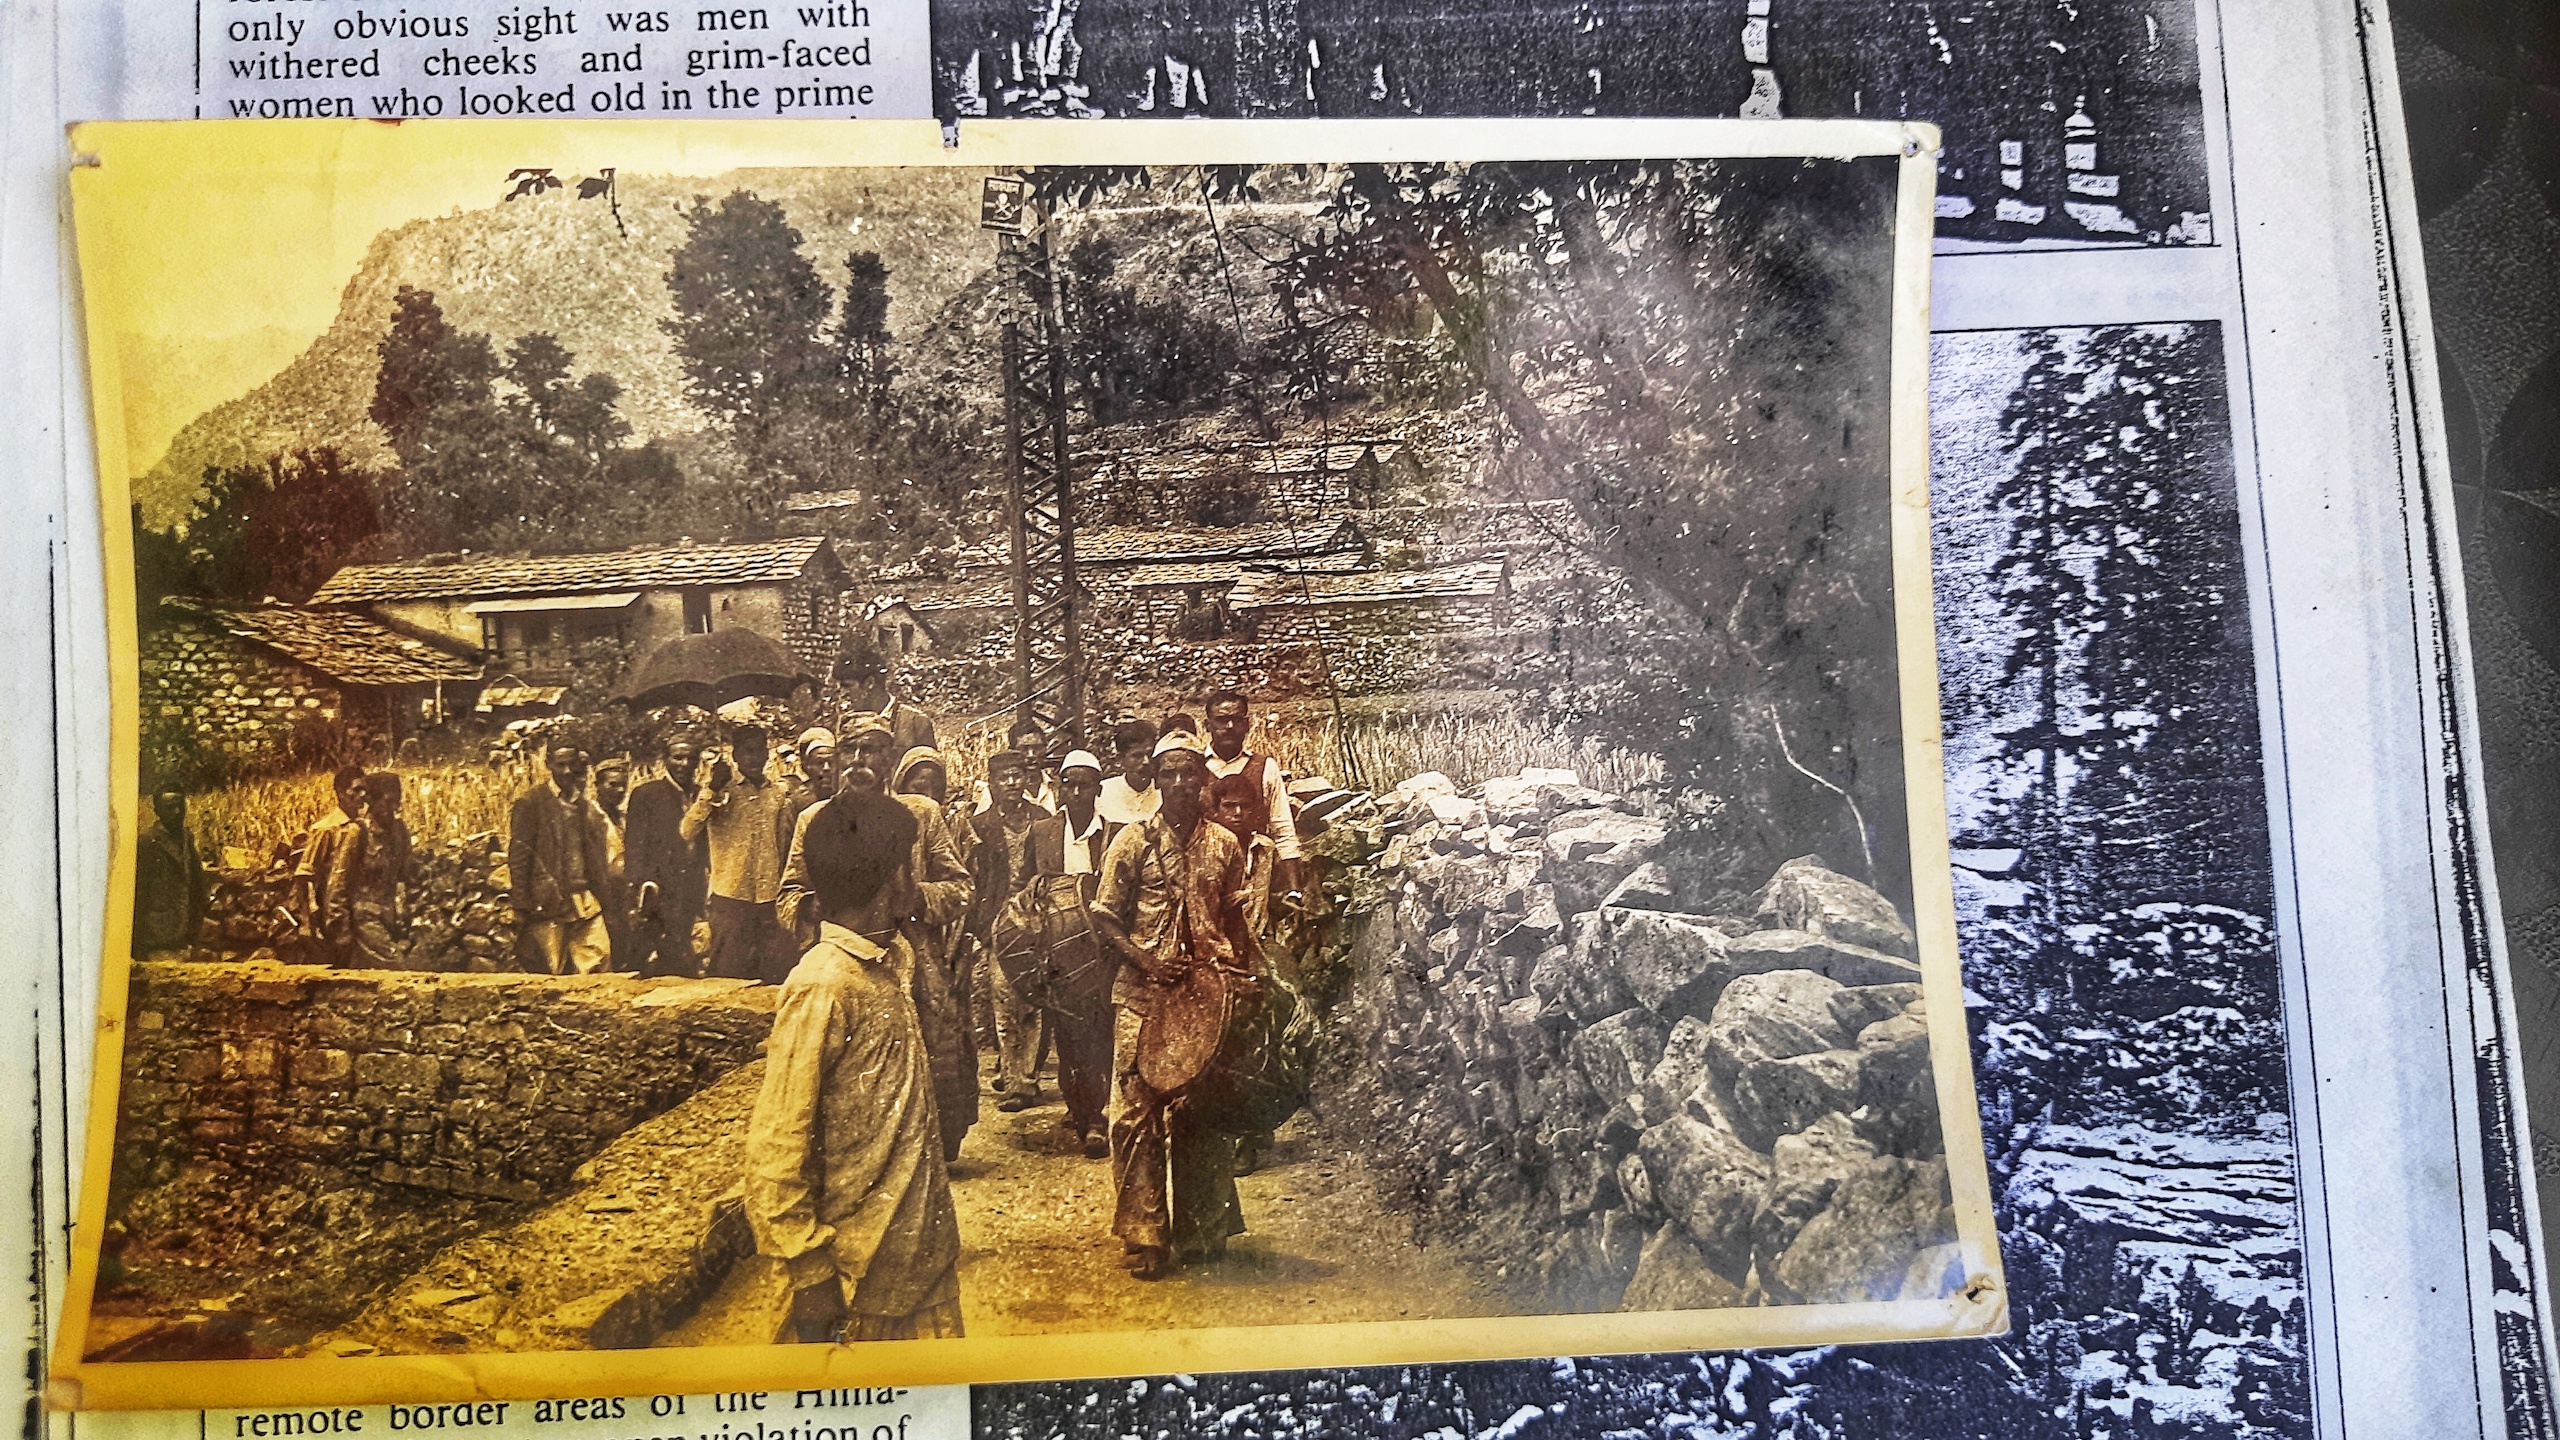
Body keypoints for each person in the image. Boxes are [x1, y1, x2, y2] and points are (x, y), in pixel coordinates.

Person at [742, 786, 966, 1344]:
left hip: (920, 1263)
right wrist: (808, 1271)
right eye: (906, 866)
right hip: (858, 1280)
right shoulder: (823, 985)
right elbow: (776, 1148)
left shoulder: (893, 959)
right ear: (893, 880)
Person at [1090, 731, 1264, 1279]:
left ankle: (1203, 1228)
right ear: (1157, 779)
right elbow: (1104, 916)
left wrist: (1246, 974)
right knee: (1135, 1112)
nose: (1181, 782)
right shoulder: (1132, 841)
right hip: (1142, 995)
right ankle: (1144, 1233)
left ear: (1202, 779)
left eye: (1190, 772)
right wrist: (1145, 961)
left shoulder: (1225, 844)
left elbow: (1234, 918)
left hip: (1205, 995)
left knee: (1202, 1109)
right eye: (1170, 773)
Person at [784, 714, 981, 1163]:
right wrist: (821, 906)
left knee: (929, 1070)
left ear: (889, 758)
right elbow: (789, 893)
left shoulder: (921, 815)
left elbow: (962, 887)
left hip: (913, 963)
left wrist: (916, 898)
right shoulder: (814, 819)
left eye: (870, 750)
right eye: (850, 751)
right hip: (843, 962)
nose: (859, 761)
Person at [1024, 750, 1118, 1157]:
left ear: (1098, 789)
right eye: (1069, 784)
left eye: (1085, 785)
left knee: (1100, 1031)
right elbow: (1026, 886)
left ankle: (1097, 1117)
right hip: (1058, 949)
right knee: (1066, 1033)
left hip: (1102, 948)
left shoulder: (1114, 833)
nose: (1077, 793)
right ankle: (1081, 1108)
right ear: (1060, 788)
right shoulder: (1042, 831)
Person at [684, 723, 798, 985]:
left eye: (760, 751)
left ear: (767, 754)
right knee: (728, 972)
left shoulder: (778, 794)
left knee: (773, 973)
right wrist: (712, 789)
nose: (754, 758)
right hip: (730, 896)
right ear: (735, 755)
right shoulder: (720, 791)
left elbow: (785, 843)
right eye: (748, 751)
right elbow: (688, 830)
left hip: (770, 897)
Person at [969, 750, 1049, 1112]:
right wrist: (978, 926)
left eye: (1017, 775)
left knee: (1034, 999)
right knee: (1003, 999)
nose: (1012, 783)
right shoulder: (979, 825)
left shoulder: (1043, 819)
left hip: (1037, 921)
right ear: (992, 784)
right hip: (997, 923)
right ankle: (1014, 1075)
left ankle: (1026, 1080)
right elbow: (973, 880)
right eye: (1004, 778)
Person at [509, 744, 613, 975]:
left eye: (571, 764)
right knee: (552, 968)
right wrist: (521, 904)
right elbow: (520, 855)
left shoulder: (582, 804)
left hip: (584, 897)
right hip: (549, 899)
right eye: (560, 765)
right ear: (548, 765)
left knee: (598, 960)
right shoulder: (531, 802)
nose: (567, 771)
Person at [1203, 689, 1305, 904]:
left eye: (1237, 720)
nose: (1229, 726)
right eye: (1221, 720)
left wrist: (1294, 890)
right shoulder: (1194, 767)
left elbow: (1283, 829)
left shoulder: (1265, 767)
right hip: (1205, 875)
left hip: (1255, 876)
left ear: (1247, 724)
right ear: (1207, 725)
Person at [625, 735, 709, 977]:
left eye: (690, 758)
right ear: (665, 759)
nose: (684, 764)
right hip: (659, 889)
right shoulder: (647, 794)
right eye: (678, 758)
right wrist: (640, 887)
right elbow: (635, 845)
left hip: (694, 887)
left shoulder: (703, 795)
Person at [293, 764, 368, 965]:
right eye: (356, 789)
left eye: (364, 790)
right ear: (341, 792)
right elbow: (304, 874)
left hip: (357, 912)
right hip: (332, 915)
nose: (362, 795)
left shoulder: (361, 828)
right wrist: (307, 921)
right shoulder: (325, 829)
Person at [339, 771, 414, 969]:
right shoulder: (357, 833)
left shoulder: (399, 831)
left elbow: (405, 874)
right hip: (364, 919)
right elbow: (338, 885)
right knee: (397, 967)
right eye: (387, 801)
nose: (393, 808)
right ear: (371, 800)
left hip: (391, 917)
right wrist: (341, 930)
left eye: (396, 802)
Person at [832, 641, 937, 759]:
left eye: (847, 686)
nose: (842, 694)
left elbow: (929, 769)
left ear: (869, 683)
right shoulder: (844, 722)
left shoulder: (916, 724)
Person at [131, 787, 202, 957]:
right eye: (170, 808)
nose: (177, 812)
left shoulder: (187, 839)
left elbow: (197, 884)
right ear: (158, 811)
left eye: (180, 806)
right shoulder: (148, 842)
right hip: (157, 937)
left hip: (183, 935)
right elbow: (139, 894)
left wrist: (195, 925)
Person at [591, 756, 633, 970]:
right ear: (597, 785)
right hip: (600, 895)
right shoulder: (589, 817)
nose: (620, 790)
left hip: (623, 895)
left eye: (623, 785)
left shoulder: (624, 817)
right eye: (613, 785)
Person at [976, 716, 1058, 815]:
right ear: (1012, 750)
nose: (1031, 755)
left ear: (1045, 749)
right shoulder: (995, 791)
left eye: (1037, 748)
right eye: (1024, 749)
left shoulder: (1056, 785)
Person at [1096, 718, 1162, 827]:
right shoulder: (1103, 792)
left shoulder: (1163, 791)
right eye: (1137, 756)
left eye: (1150, 754)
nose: (1146, 761)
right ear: (1120, 759)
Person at [788, 728, 838, 823]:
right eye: (819, 763)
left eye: (831, 762)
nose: (826, 768)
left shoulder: (848, 798)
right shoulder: (796, 803)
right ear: (807, 766)